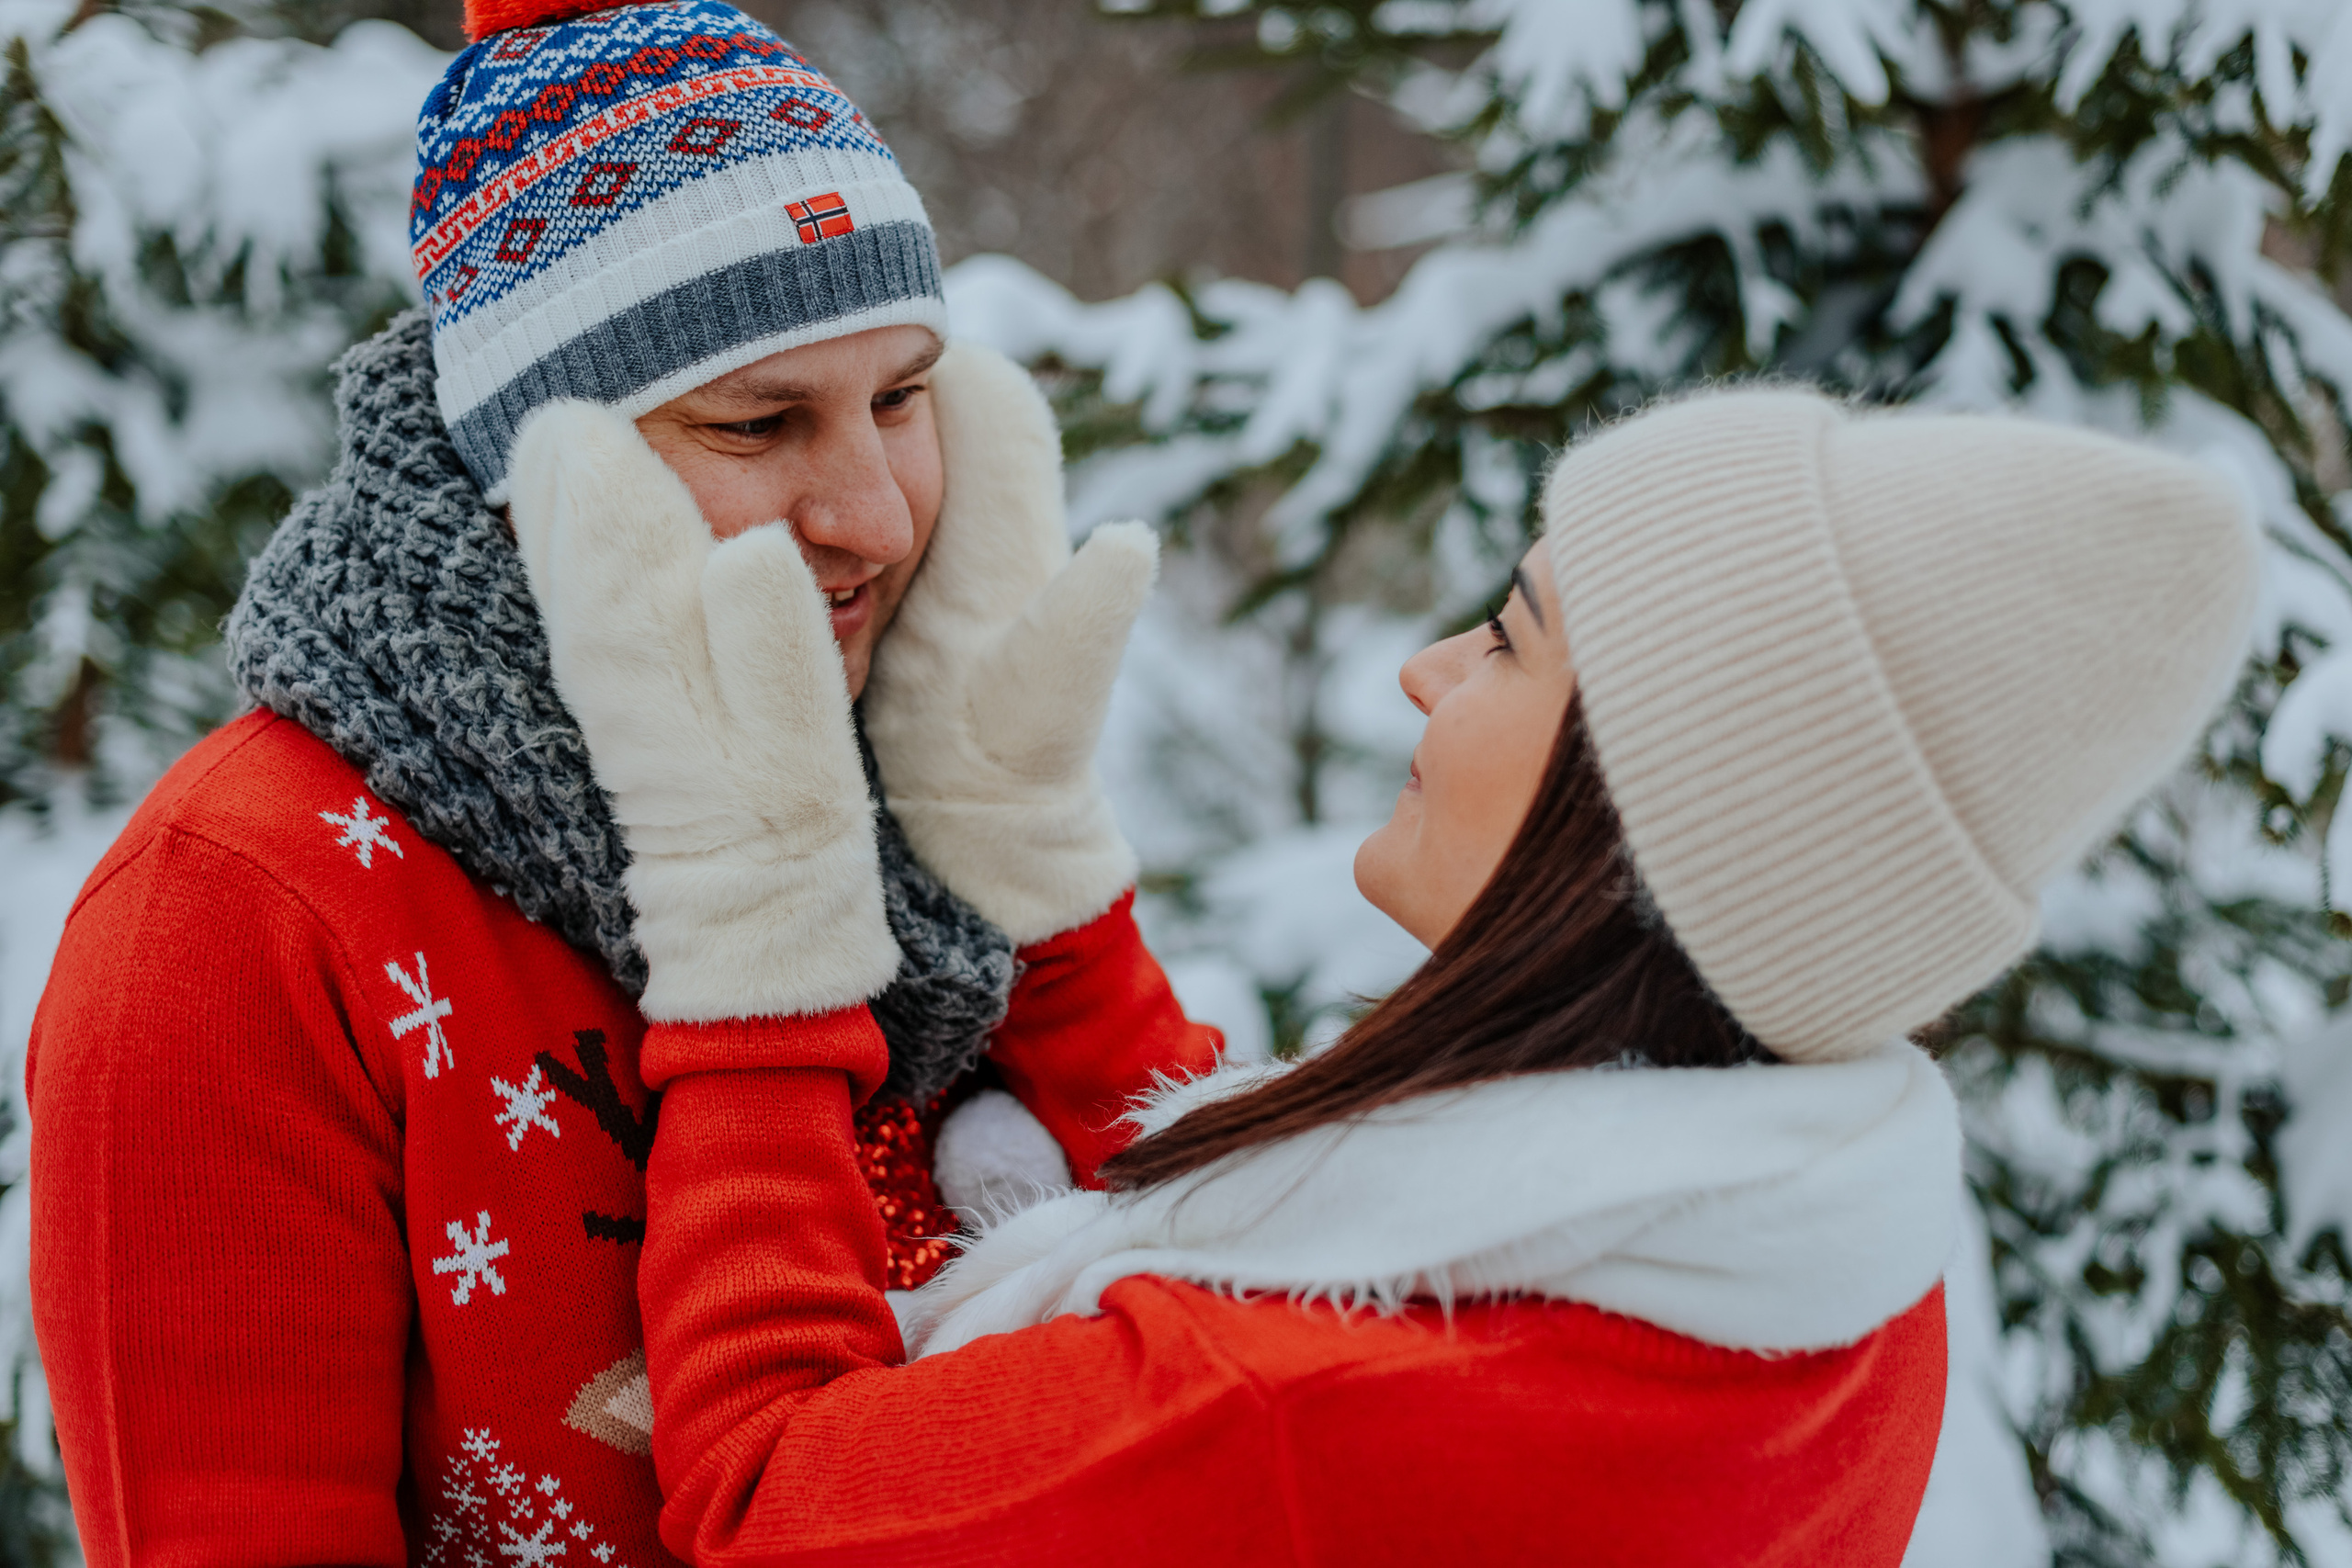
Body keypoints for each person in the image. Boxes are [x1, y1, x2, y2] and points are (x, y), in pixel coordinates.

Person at [513, 383, 2257, 1565]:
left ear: (1647, 814)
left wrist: (754, 932)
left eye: (1507, 639)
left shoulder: (1315, 1411)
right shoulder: (1817, 1274)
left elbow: (770, 1499)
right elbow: (1292, 1224)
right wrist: (1046, 883)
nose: (1426, 673)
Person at [27, 3, 1216, 1562]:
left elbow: (1220, 1340)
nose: (875, 513)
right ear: (541, 467)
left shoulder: (896, 773)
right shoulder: (238, 915)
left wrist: (1036, 879)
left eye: (904, 398)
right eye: (759, 420)